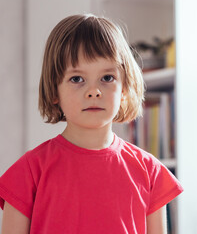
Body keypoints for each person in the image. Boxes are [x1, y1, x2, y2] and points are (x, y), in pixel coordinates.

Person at [0, 14, 183, 234]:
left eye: (107, 78)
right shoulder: (28, 173)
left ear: (124, 88)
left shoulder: (151, 173)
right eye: (77, 79)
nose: (94, 91)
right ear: (54, 89)